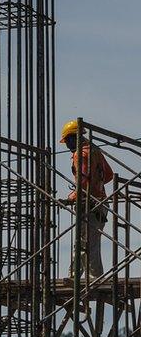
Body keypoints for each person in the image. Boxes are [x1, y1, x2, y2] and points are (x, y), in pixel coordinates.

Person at [60, 119, 114, 278]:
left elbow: (83, 183)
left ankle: (91, 279)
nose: (67, 145)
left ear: (74, 137)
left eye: (68, 140)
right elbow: (109, 175)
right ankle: (76, 276)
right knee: (87, 243)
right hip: (101, 203)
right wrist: (97, 183)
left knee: (86, 244)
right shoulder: (95, 150)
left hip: (88, 205)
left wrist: (72, 196)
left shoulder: (80, 154)